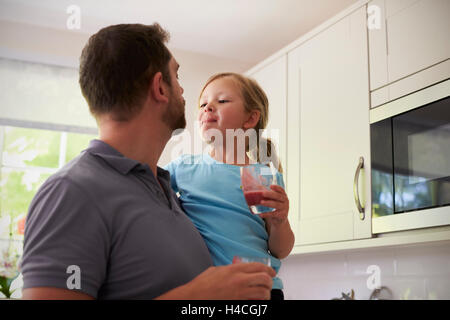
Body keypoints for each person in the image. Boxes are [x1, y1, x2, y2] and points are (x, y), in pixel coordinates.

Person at [20, 23, 275, 300]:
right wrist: (195, 296)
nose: (183, 90)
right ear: (160, 88)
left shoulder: (170, 190)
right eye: (176, 76)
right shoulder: (71, 191)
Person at [164, 73, 295, 300]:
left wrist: (280, 221)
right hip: (208, 292)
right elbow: (145, 189)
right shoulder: (182, 168)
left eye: (222, 101)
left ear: (250, 119)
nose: (208, 107)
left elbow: (280, 250)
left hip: (261, 290)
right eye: (203, 104)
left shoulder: (265, 176)